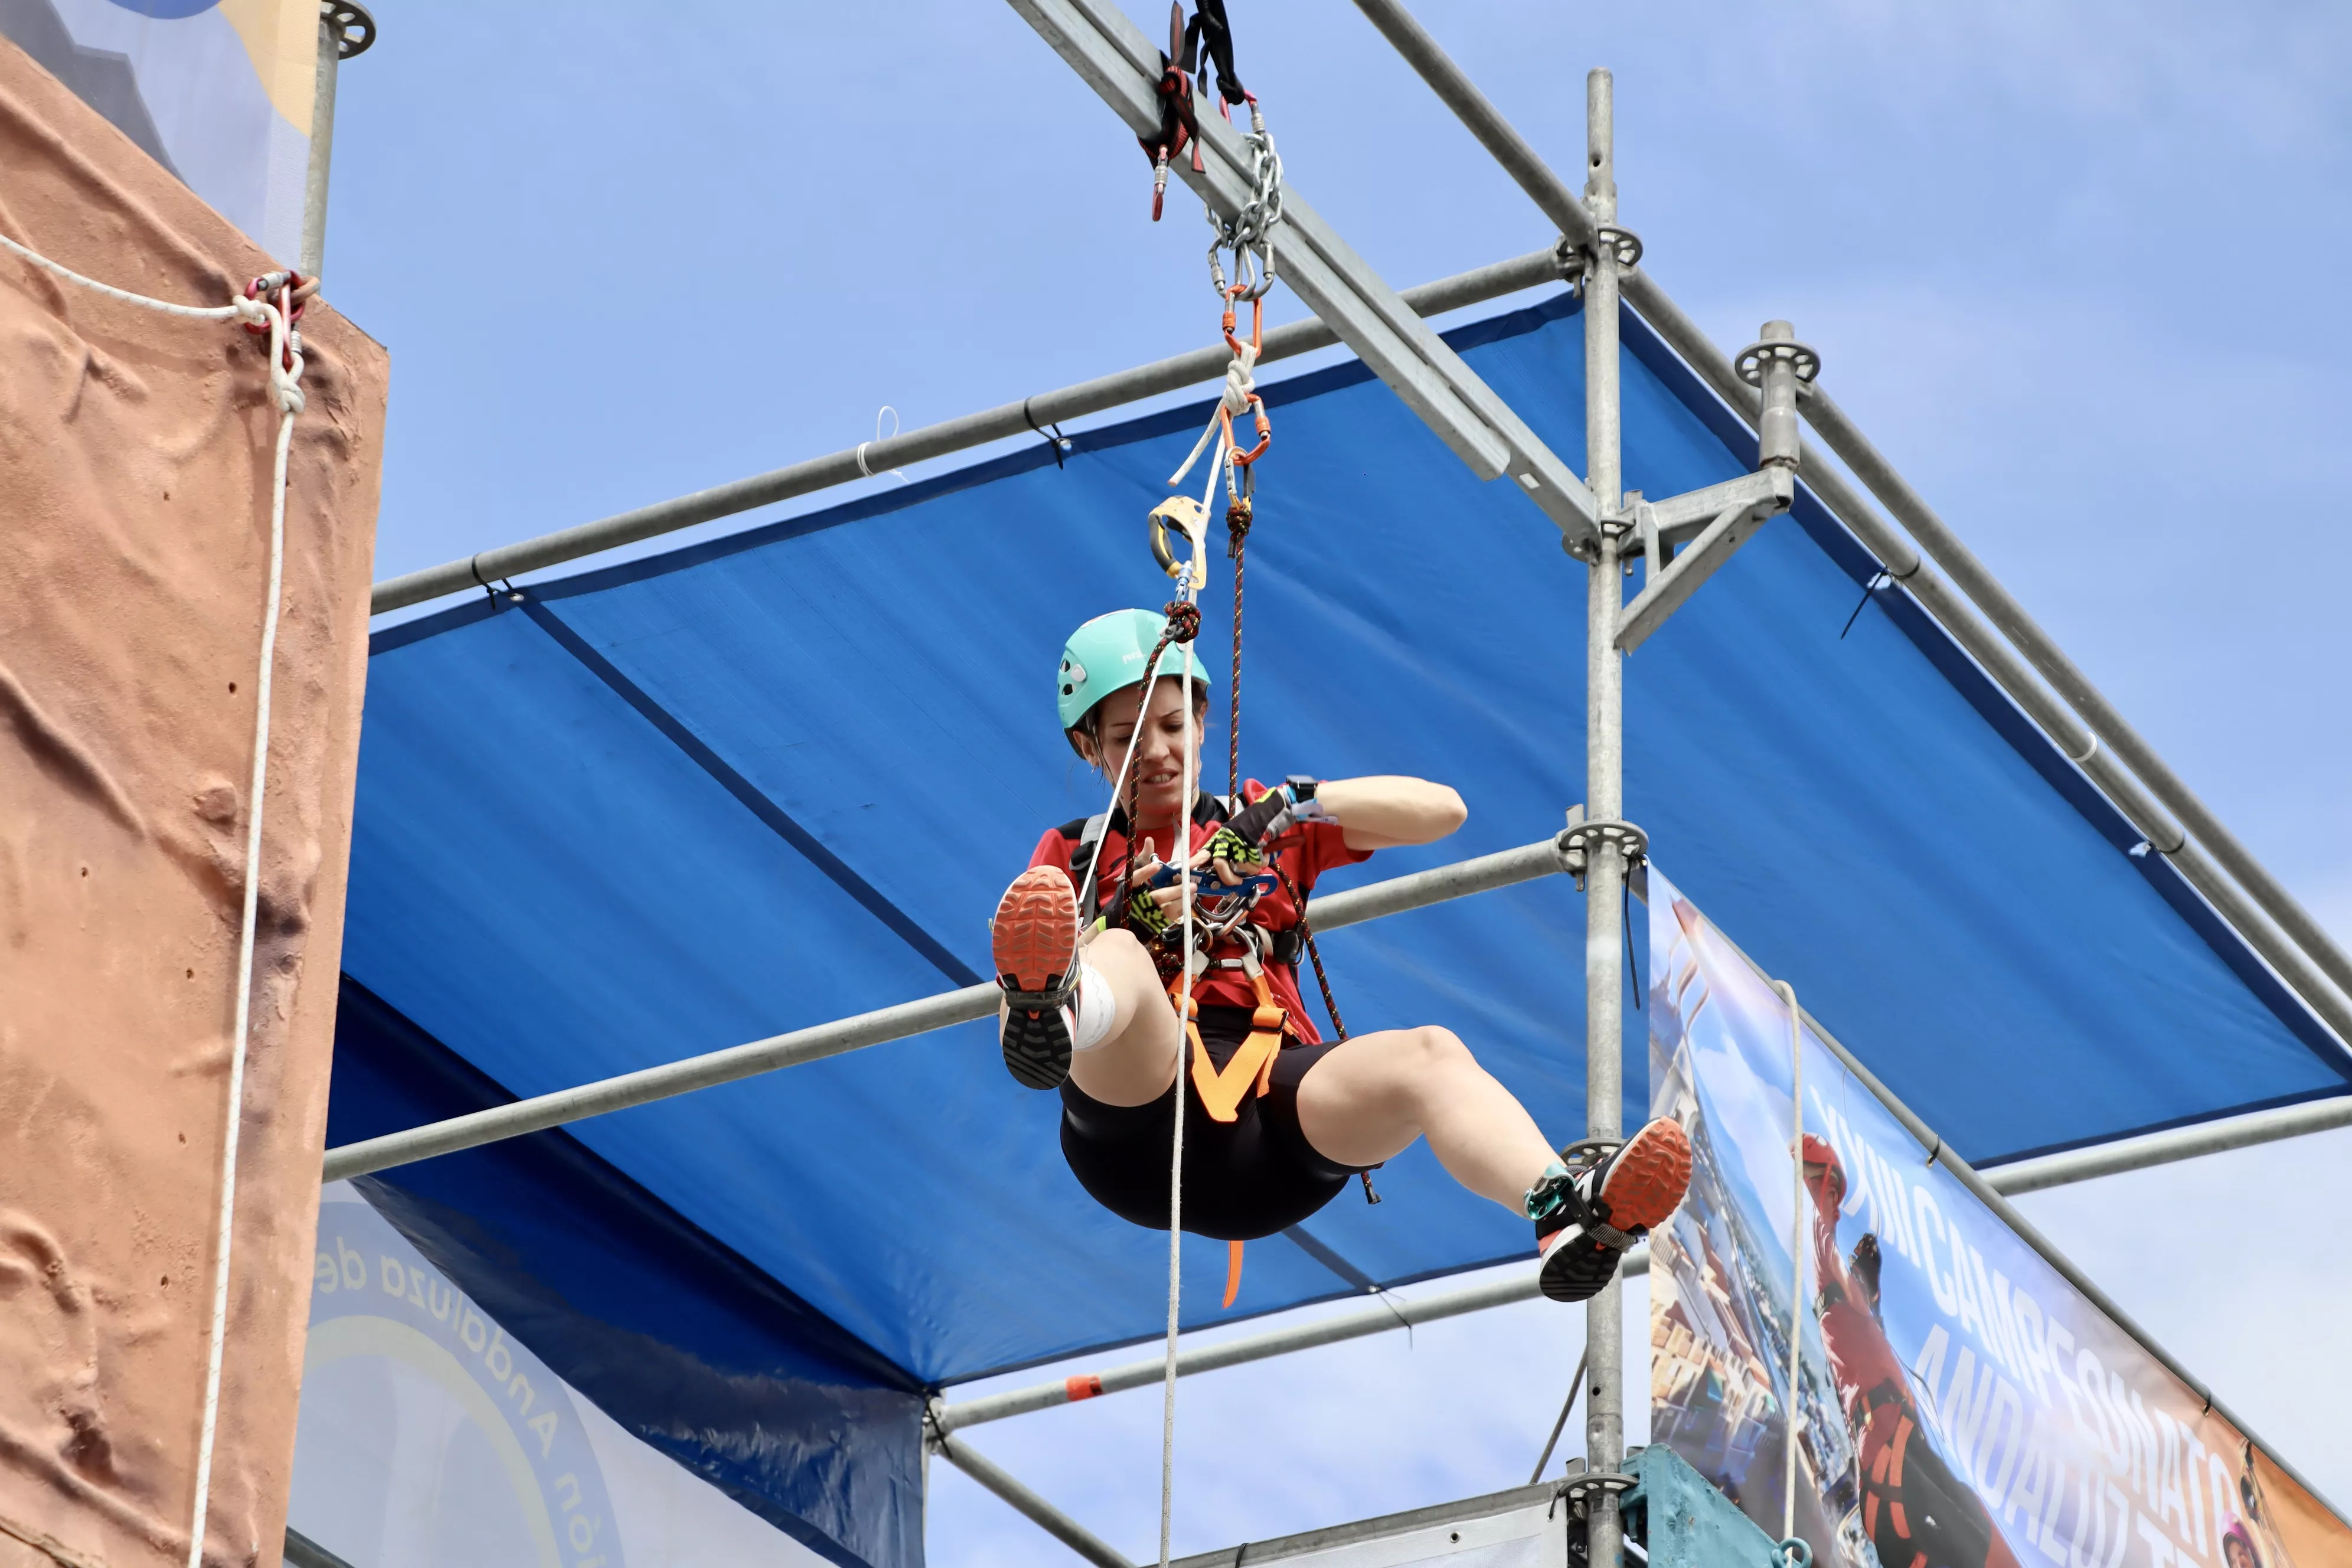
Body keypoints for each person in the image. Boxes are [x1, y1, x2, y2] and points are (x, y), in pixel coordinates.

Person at [986, 608, 1691, 1302]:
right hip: (1137, 1120)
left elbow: (1443, 811)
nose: (1159, 753)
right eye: (1128, 740)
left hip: (1267, 1136)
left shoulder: (1258, 820)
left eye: (1174, 727)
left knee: (1431, 1054)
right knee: (1110, 951)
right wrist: (1122, 918)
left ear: (1203, 722)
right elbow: (1018, 1003)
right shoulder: (1079, 853)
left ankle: (1566, 1213)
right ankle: (1070, 1003)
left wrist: (1290, 806)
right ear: (1091, 749)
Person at [1800, 1134, 2021, 1568]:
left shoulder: (1859, 1317)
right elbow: (1821, 1234)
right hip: (1892, 1454)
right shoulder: (1836, 1301)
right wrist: (1823, 1184)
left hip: (1897, 1449)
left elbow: (1869, 1334)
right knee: (1965, 1541)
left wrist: (1870, 1287)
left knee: (1971, 1534)